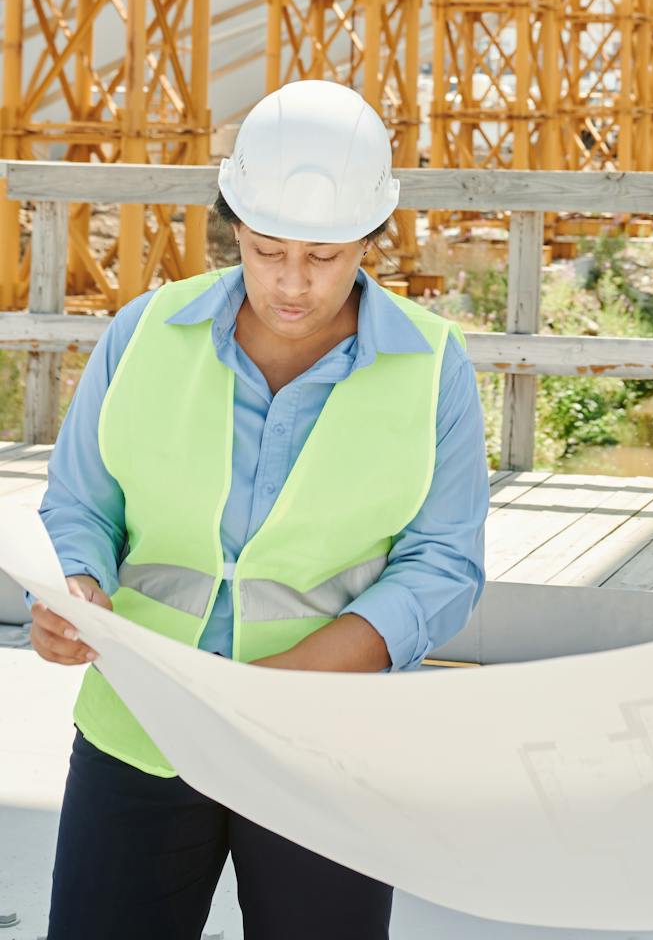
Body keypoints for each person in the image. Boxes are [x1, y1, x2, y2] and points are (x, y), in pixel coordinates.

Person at [30, 80, 490, 940]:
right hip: (140, 731)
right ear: (235, 225)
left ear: (369, 240)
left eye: (323, 257)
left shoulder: (433, 364)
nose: (291, 283)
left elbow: (443, 564)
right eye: (267, 249)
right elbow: (81, 502)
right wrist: (76, 591)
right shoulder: (144, 332)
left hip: (325, 746)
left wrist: (277, 687)